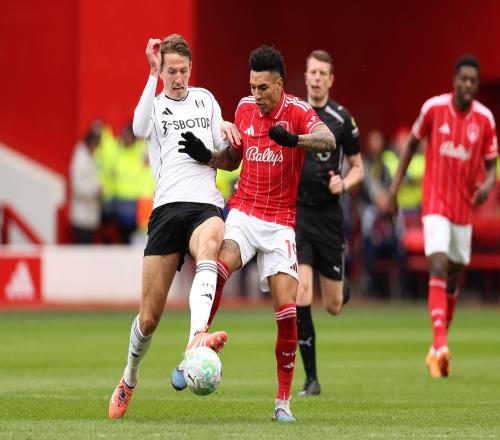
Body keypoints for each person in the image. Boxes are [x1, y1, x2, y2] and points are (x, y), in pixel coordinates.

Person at [177, 45, 336, 422]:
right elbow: (234, 159)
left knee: (287, 311)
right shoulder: (244, 109)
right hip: (245, 212)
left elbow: (328, 140)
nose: (256, 95)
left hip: (280, 223)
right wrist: (206, 156)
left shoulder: (298, 112)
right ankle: (192, 350)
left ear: (279, 85)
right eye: (252, 87)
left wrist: (295, 140)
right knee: (219, 266)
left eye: (263, 88)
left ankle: (283, 403)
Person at [108, 34, 240, 419]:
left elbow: (225, 155)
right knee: (149, 317)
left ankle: (196, 337)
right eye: (171, 71)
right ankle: (129, 377)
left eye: (183, 71)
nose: (178, 78)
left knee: (210, 245)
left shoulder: (206, 100)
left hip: (204, 204)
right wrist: (151, 75)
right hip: (167, 210)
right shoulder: (155, 103)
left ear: (190, 69)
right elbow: (138, 128)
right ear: (162, 70)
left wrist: (223, 137)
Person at [387, 55, 498, 378]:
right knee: (437, 264)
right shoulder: (434, 109)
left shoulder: (485, 119)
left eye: (473, 81)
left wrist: (487, 185)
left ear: (476, 84)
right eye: (463, 79)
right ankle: (442, 344)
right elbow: (410, 145)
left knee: (454, 275)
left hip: (464, 209)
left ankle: (436, 350)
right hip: (435, 204)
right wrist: (393, 191)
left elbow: (492, 164)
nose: (468, 85)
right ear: (455, 81)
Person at [295, 50, 364, 396]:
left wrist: (344, 184)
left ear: (331, 79)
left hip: (329, 217)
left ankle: (341, 285)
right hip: (298, 215)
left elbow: (359, 168)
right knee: (301, 293)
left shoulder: (341, 119)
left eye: (323, 73)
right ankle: (311, 379)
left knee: (333, 306)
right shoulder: (295, 113)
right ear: (305, 76)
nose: (317, 78)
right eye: (313, 72)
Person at [69, 126, 102, 244]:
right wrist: (96, 189)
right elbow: (78, 187)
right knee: (83, 248)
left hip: (89, 216)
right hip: (81, 217)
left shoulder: (90, 157)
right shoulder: (81, 159)